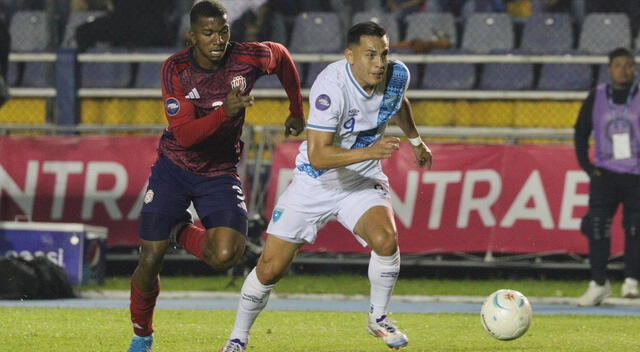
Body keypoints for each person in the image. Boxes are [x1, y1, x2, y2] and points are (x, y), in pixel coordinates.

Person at [219, 21, 432, 351]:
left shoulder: (396, 75)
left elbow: (397, 103)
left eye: (385, 54)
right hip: (314, 182)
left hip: (361, 180)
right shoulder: (330, 88)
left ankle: (378, 318)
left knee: (386, 239)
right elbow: (318, 156)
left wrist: (416, 140)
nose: (380, 63)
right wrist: (370, 151)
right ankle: (238, 337)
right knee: (270, 268)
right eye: (371, 55)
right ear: (350, 56)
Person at [126, 1, 305, 351]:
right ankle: (142, 334)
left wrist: (296, 109)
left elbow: (281, 56)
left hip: (219, 170)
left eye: (223, 31)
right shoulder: (175, 69)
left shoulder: (248, 56)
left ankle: (178, 229)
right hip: (174, 168)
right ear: (191, 36)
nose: (218, 39)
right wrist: (226, 112)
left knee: (226, 255)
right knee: (150, 257)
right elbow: (186, 136)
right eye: (208, 33)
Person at [574, 47, 640, 307]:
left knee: (635, 228)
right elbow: (580, 131)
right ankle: (598, 283)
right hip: (605, 175)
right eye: (617, 65)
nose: (623, 70)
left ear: (634, 69)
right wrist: (588, 167)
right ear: (609, 69)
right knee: (597, 227)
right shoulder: (597, 96)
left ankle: (632, 281)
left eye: (628, 65)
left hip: (637, 175)